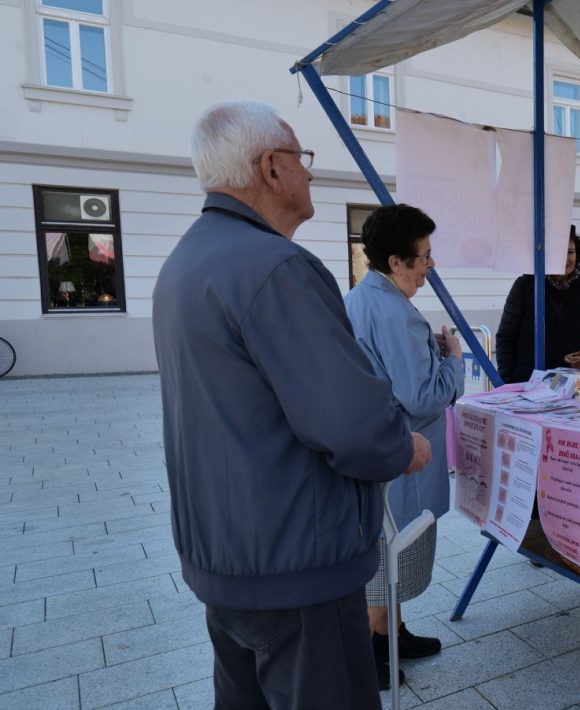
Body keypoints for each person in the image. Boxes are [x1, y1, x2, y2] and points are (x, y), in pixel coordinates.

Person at [152, 100, 430, 709]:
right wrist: (402, 446)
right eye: (302, 158)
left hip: (227, 557)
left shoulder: (185, 260)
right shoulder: (277, 267)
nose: (310, 172)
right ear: (271, 168)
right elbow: (349, 423)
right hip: (296, 563)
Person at [343, 204, 463, 689]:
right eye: (424, 255)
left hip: (375, 445)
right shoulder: (396, 313)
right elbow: (423, 396)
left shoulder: (362, 296)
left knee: (383, 548)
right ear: (396, 261)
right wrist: (453, 360)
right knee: (392, 552)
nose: (430, 264)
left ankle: (392, 634)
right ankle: (369, 654)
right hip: (403, 450)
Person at [496, 227, 580, 383]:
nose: (565, 259)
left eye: (570, 252)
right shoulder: (525, 286)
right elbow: (505, 337)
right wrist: (509, 379)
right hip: (528, 382)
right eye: (558, 253)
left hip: (571, 383)